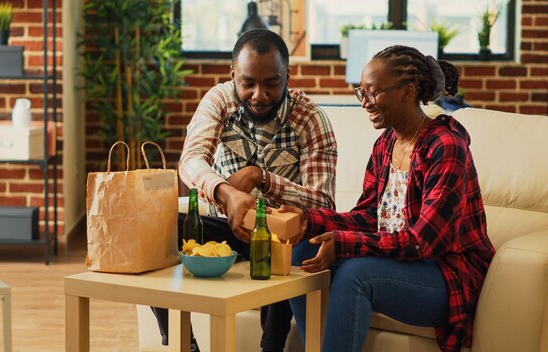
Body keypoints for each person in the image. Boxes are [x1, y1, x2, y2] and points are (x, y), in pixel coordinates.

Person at [283, 45, 495, 352]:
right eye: (362, 92)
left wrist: (344, 243)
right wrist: (309, 220)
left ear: (407, 92)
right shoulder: (385, 144)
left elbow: (424, 242)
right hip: (397, 261)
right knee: (303, 249)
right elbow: (370, 217)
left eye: (373, 93)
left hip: (448, 274)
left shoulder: (445, 146)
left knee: (357, 274)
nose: (365, 103)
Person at [151, 29, 338, 352]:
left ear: (287, 77)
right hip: (225, 228)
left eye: (271, 83)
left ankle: (271, 347)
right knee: (156, 227)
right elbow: (191, 161)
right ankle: (184, 344)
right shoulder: (219, 100)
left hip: (280, 234)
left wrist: (261, 178)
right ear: (232, 74)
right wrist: (226, 192)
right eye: (248, 83)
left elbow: (323, 203)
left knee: (291, 245)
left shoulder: (310, 119)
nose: (259, 95)